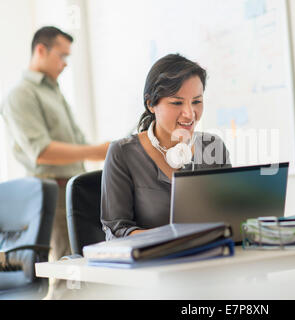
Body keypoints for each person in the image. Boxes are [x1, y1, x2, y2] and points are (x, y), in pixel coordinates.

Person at [0, 26, 109, 298]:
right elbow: (41, 151)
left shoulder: (55, 92)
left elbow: (78, 141)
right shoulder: (21, 95)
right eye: (61, 56)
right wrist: (95, 150)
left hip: (76, 188)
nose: (64, 64)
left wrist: (100, 151)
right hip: (53, 191)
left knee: (86, 271)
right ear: (40, 50)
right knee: (67, 274)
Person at [101, 53, 231, 239]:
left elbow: (229, 216)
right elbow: (116, 231)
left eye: (196, 101)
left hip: (209, 258)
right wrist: (172, 238)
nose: (189, 114)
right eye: (177, 103)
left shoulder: (213, 146)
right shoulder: (122, 153)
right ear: (151, 104)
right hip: (150, 263)